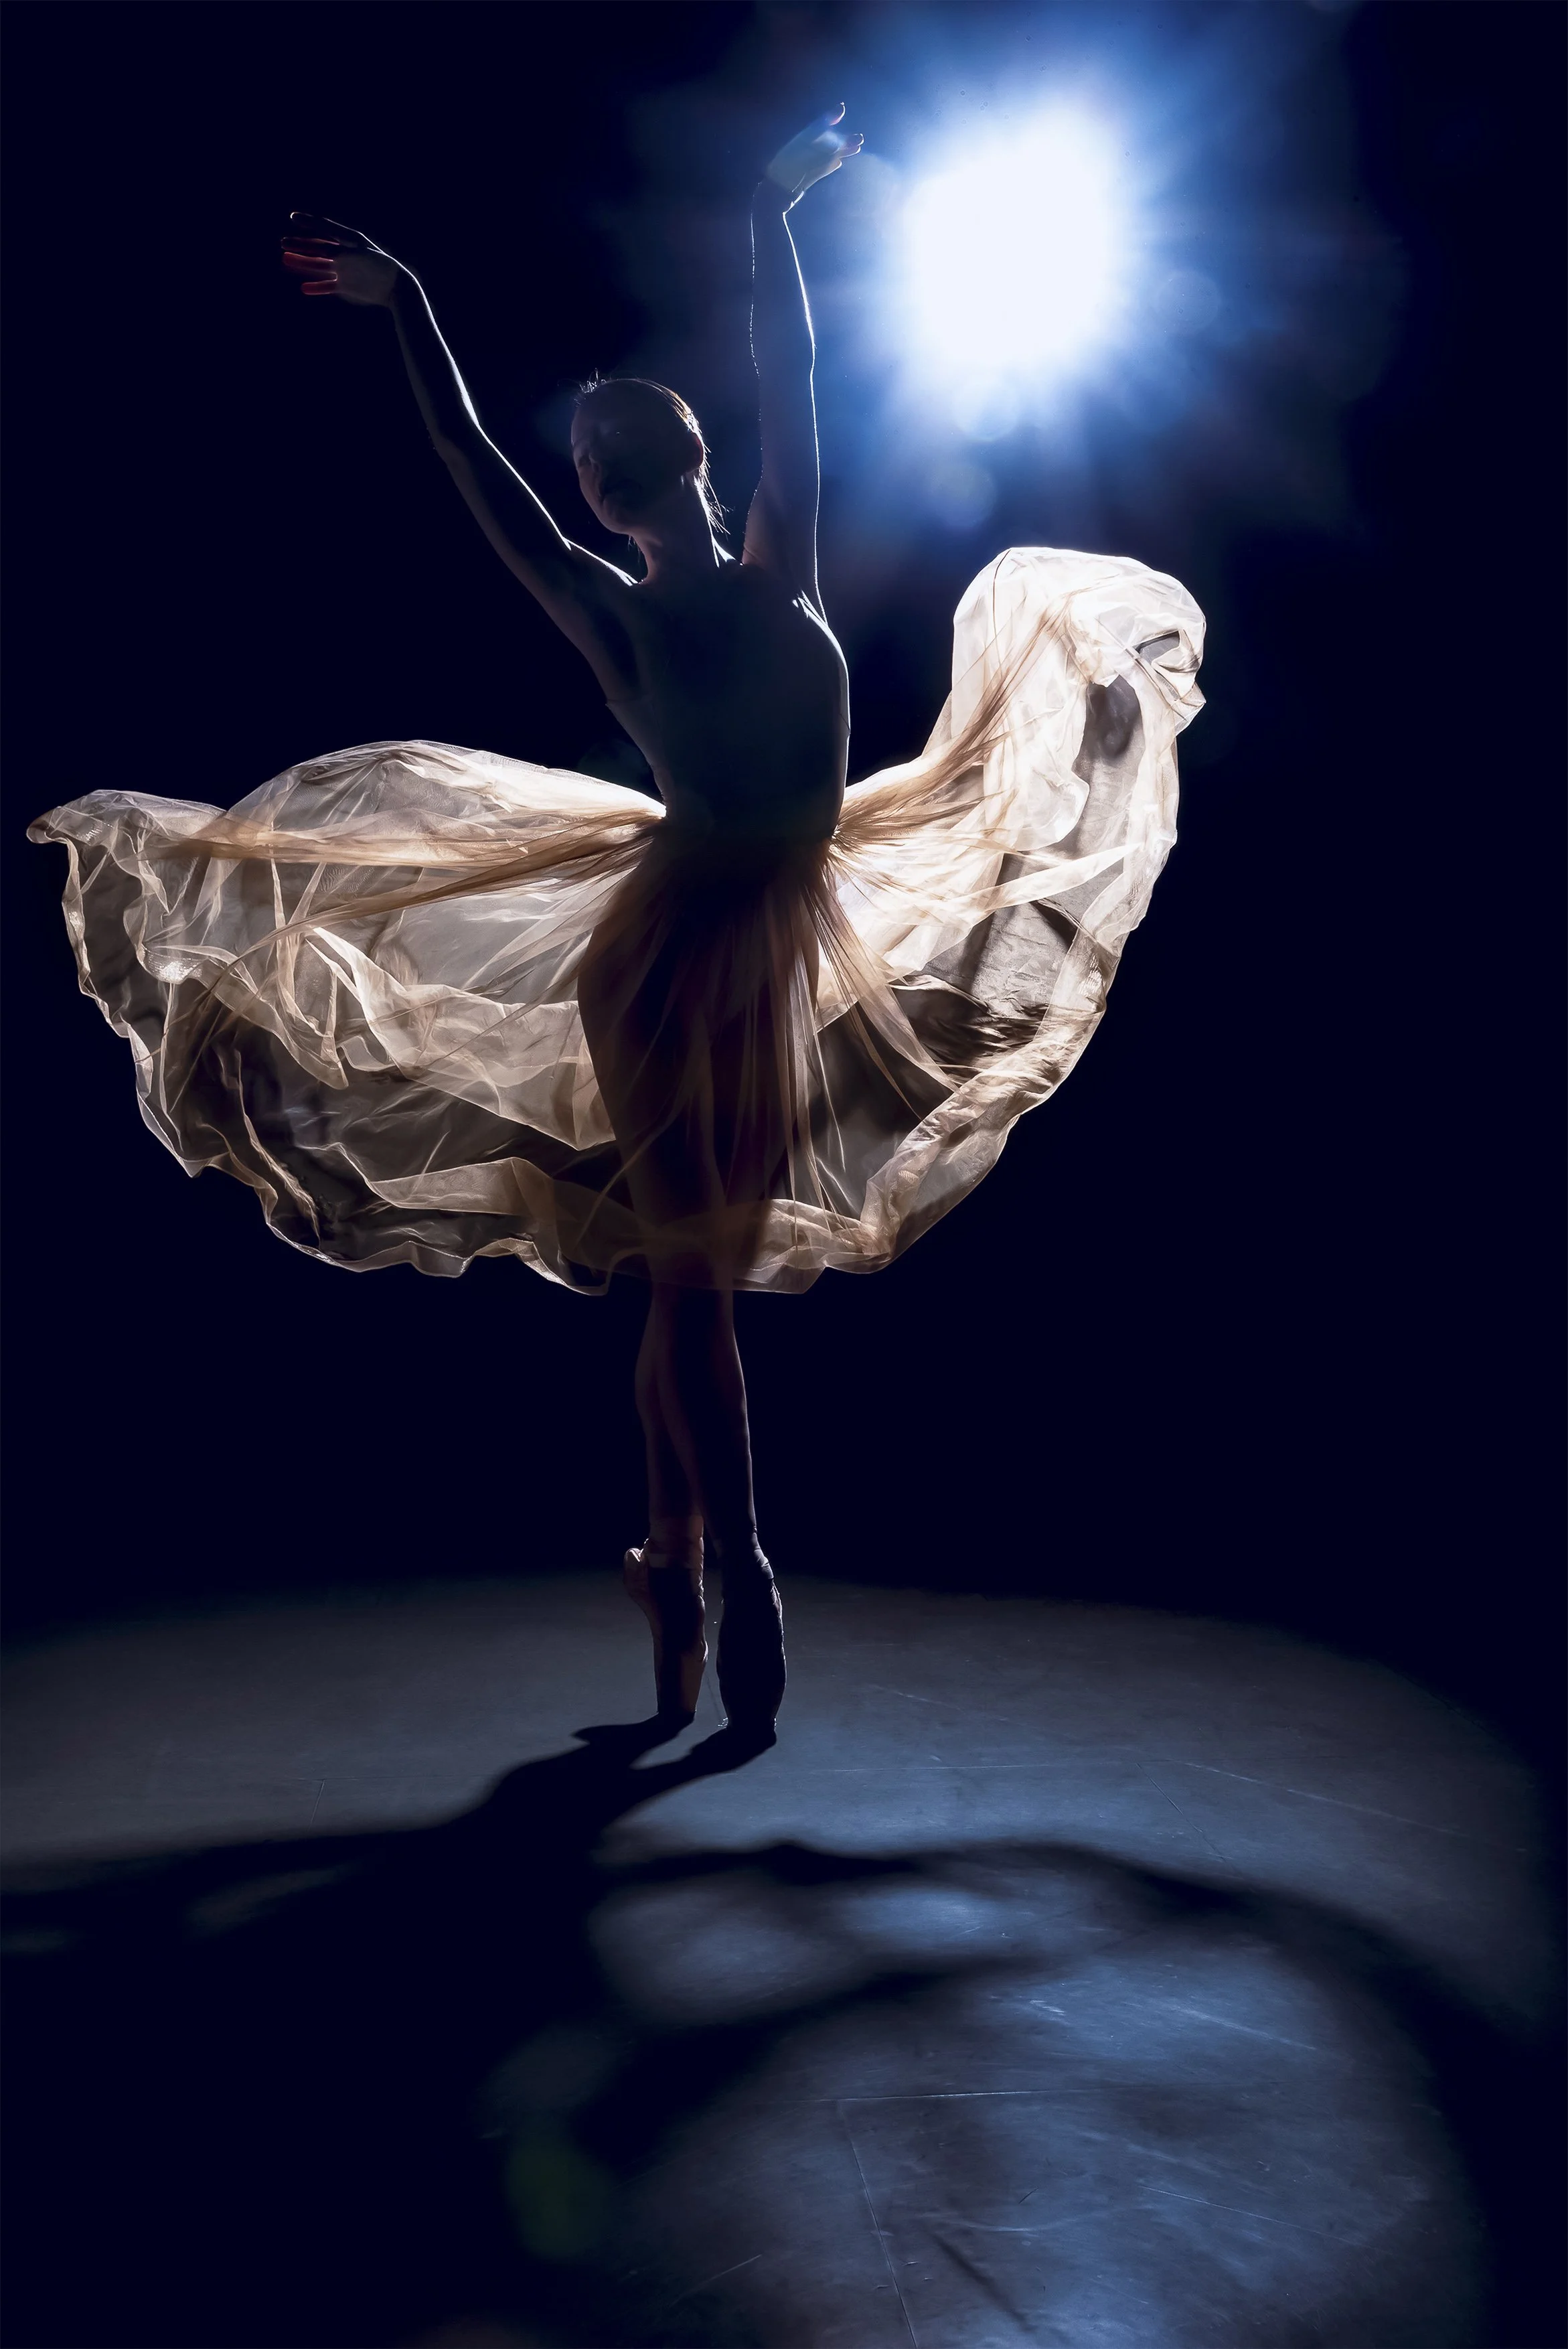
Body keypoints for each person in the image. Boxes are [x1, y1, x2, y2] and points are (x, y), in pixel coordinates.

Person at [30, 109, 1206, 1750]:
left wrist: (427, 301)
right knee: (694, 1284)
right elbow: (614, 423)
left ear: (645, 473)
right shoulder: (692, 591)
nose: (595, 464)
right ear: (657, 474)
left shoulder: (687, 589)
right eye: (594, 450)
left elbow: (514, 451)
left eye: (599, 446)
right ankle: (744, 1565)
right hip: (679, 958)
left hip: (751, 930)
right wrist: (754, 210)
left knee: (683, 1283)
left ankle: (677, 1572)